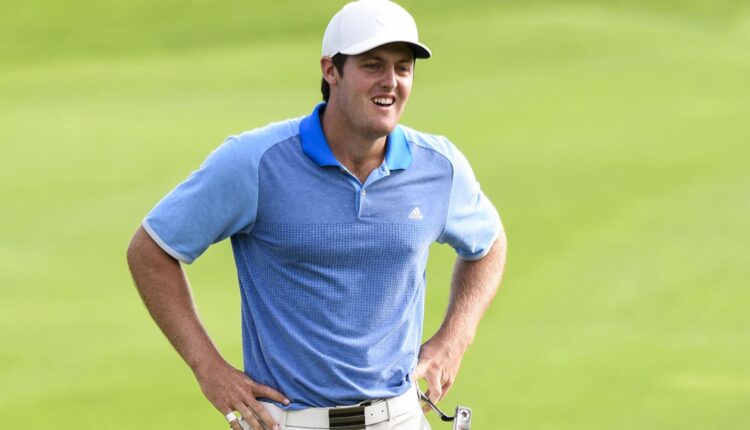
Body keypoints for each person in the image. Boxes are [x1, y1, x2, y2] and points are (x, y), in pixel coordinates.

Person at [126, 0, 507, 429]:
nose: (391, 82)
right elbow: (151, 250)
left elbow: (489, 243)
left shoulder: (438, 166)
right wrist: (208, 368)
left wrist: (454, 339)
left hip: (399, 418)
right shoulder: (255, 162)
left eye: (403, 68)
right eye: (373, 66)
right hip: (287, 422)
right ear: (331, 70)